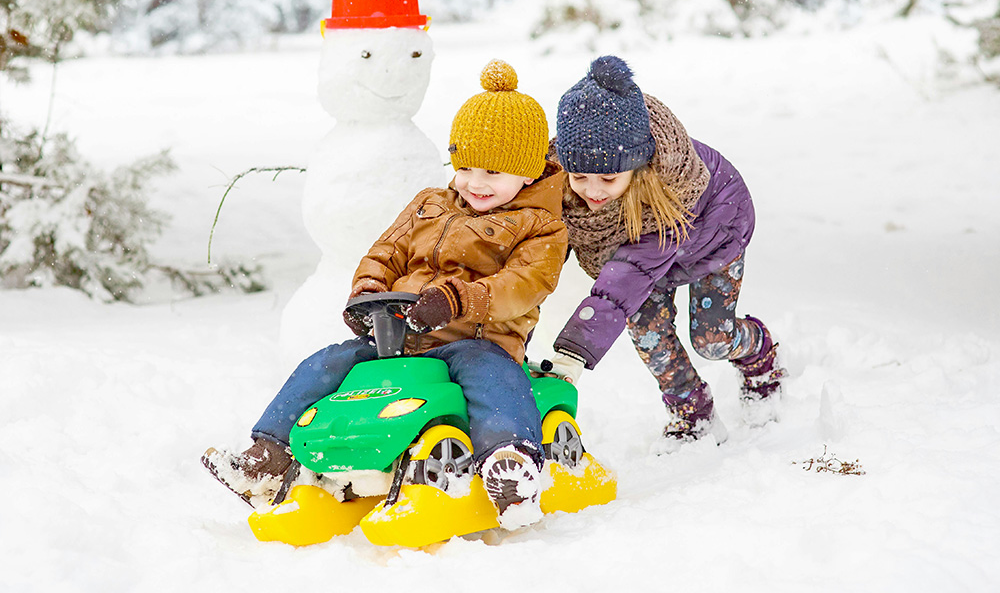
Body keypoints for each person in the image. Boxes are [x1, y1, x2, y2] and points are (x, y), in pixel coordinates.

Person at [202, 59, 568, 530]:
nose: (476, 182)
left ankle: (509, 463)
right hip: (399, 335)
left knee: (490, 376)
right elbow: (386, 252)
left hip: (477, 339)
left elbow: (523, 286)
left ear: (529, 171)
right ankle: (268, 456)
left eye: (494, 172)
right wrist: (369, 292)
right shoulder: (428, 204)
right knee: (329, 361)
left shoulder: (541, 227)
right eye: (467, 166)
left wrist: (459, 300)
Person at [543, 56, 787, 446]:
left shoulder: (667, 195)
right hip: (643, 260)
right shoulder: (566, 189)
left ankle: (759, 354)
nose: (592, 191)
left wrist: (575, 351)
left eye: (608, 177)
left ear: (637, 168)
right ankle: (692, 414)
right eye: (579, 176)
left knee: (712, 340)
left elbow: (626, 278)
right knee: (649, 335)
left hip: (712, 240)